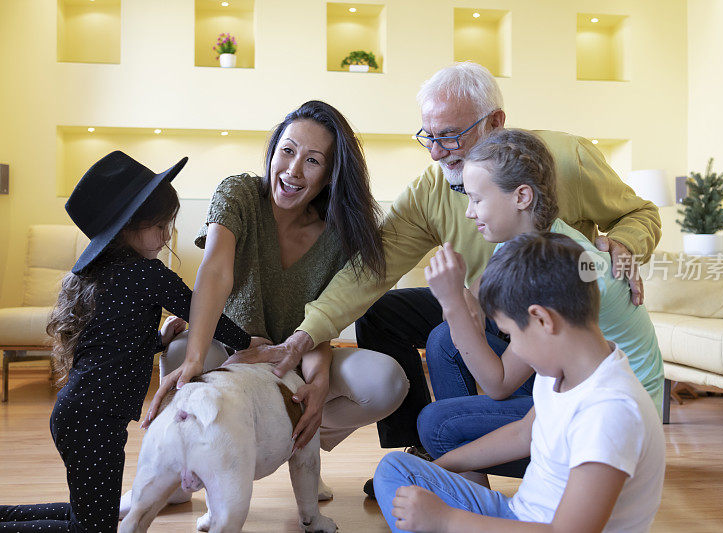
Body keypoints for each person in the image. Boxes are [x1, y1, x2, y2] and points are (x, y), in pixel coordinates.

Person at [253, 62, 662, 462]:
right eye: (427, 136)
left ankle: (449, 441)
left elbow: (640, 215)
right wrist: (304, 336)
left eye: (449, 136)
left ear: (494, 122)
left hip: (557, 317)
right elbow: (368, 274)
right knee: (383, 313)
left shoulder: (567, 161)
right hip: (495, 301)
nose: (434, 153)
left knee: (447, 340)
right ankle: (423, 445)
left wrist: (624, 243)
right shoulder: (432, 194)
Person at [140, 100, 409, 506]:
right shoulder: (239, 194)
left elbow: (325, 318)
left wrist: (318, 380)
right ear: (273, 150)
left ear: (331, 174)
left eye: (313, 160)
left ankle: (299, 442)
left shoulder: (341, 233)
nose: (293, 170)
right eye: (287, 150)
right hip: (231, 350)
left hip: (295, 358)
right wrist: (196, 356)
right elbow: (215, 271)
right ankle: (187, 462)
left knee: (387, 381)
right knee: (180, 351)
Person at [0, 151, 259, 532]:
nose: (167, 235)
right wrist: (246, 342)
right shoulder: (147, 274)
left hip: (79, 414)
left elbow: (112, 344)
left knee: (89, 518)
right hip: (94, 421)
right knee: (95, 529)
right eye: (158, 226)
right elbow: (204, 307)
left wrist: (158, 338)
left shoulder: (101, 276)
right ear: (126, 228)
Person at [373, 233, 666, 533]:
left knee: (421, 512)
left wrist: (448, 521)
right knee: (396, 469)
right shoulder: (564, 375)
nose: (515, 350)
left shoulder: (610, 411)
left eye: (511, 335)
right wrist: (437, 470)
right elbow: (523, 433)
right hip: (517, 515)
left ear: (542, 320)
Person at [418, 129, 664, 485]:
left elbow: (499, 383)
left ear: (521, 197)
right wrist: (458, 299)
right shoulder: (528, 243)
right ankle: (467, 483)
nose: (470, 213)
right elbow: (476, 312)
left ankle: (462, 482)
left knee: (438, 425)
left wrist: (453, 299)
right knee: (444, 341)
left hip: (615, 428)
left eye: (476, 199)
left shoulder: (555, 271)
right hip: (575, 383)